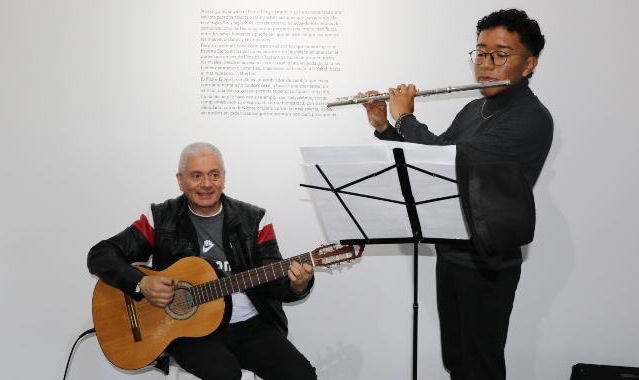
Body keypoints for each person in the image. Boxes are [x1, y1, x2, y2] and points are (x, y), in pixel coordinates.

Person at [362, 8, 553, 380]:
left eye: (500, 55)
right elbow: (424, 164)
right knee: (457, 363)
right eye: (480, 53)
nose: (486, 64)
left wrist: (405, 119)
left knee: (480, 368)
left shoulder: (531, 117)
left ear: (528, 64)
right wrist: (386, 127)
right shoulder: (474, 107)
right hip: (450, 252)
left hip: (487, 262)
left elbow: (450, 161)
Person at [87, 142, 317, 380]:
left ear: (224, 178)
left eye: (214, 175)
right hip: (187, 331)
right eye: (196, 176)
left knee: (301, 375)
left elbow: (272, 281)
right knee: (224, 374)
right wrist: (141, 283)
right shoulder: (160, 218)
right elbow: (100, 255)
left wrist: (297, 286)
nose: (206, 184)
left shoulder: (255, 219)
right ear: (180, 180)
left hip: (249, 324)